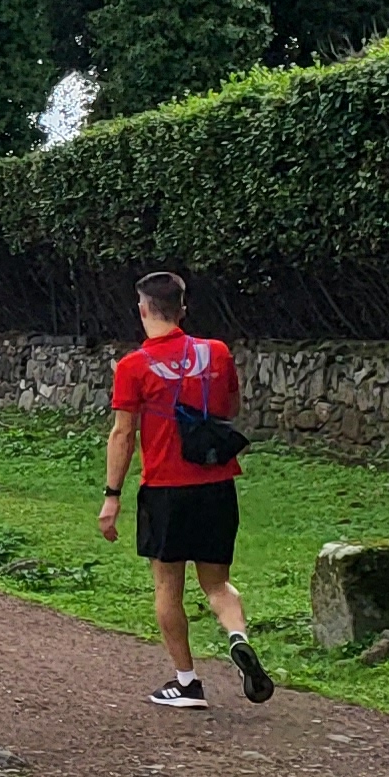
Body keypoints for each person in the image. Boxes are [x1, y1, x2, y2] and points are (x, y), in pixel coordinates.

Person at [99, 268, 271, 708]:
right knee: (218, 584)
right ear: (183, 308)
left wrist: (112, 495)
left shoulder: (133, 366)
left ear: (143, 310)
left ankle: (187, 682)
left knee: (167, 586)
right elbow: (230, 407)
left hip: (165, 489)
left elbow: (123, 434)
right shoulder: (216, 352)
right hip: (217, 485)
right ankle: (237, 636)